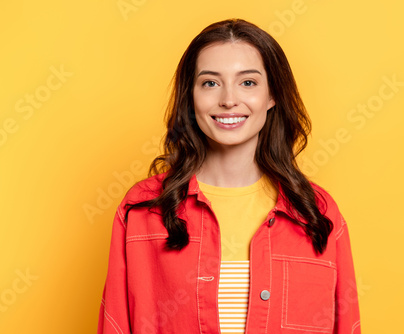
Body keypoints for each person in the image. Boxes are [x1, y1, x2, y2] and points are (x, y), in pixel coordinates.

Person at [98, 18, 361, 334]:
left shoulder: (316, 212)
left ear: (272, 95)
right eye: (210, 83)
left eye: (248, 82)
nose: (228, 100)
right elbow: (115, 323)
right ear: (190, 96)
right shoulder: (143, 209)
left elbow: (347, 325)